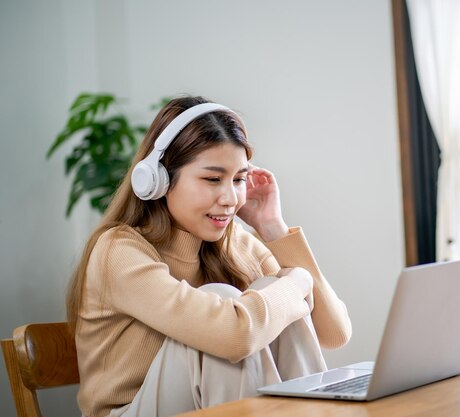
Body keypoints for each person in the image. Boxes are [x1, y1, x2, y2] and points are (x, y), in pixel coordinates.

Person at [67, 96, 352, 417]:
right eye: (213, 179)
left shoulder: (235, 245)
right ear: (158, 180)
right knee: (226, 302)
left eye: (239, 179)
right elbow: (232, 335)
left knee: (269, 292)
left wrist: (273, 228)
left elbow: (334, 332)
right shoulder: (118, 250)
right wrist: (297, 281)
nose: (231, 198)